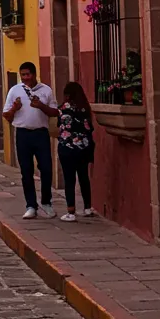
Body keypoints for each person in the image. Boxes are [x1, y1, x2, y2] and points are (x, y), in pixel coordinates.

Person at [3, 61, 58, 219]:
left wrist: (41, 106)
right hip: (22, 134)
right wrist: (15, 108)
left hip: (41, 134)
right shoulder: (15, 90)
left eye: (28, 74)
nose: (25, 78)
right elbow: (6, 115)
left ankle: (46, 202)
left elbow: (54, 112)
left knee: (46, 169)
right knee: (26, 171)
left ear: (34, 74)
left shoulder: (46, 90)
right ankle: (31, 205)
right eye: (23, 75)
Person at [56, 81, 95, 221]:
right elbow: (90, 128)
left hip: (67, 148)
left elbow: (59, 126)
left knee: (69, 179)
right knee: (84, 176)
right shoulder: (85, 108)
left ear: (67, 95)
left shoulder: (62, 108)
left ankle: (71, 212)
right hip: (83, 148)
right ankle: (87, 208)